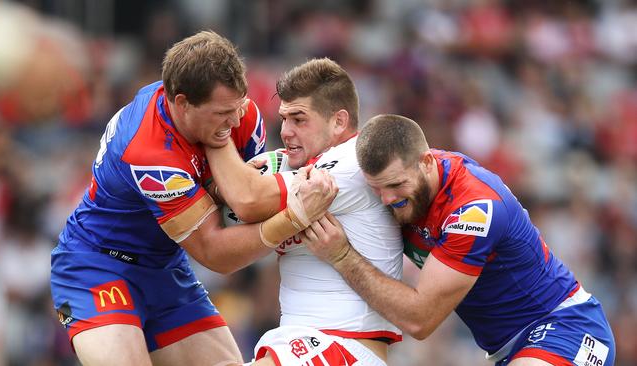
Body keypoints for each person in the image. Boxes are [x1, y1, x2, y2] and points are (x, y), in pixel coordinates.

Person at [50, 31, 337, 366]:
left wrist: (219, 141)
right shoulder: (148, 151)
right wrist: (295, 217)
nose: (234, 120)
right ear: (182, 103)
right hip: (98, 266)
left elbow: (244, 208)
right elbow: (215, 253)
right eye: (221, 113)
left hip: (164, 266)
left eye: (238, 106)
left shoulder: (243, 116)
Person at [303, 114, 616, 366]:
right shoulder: (399, 187)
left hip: (565, 327)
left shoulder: (474, 210)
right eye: (376, 188)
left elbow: (419, 319)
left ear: (427, 162)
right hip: (508, 350)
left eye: (396, 185)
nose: (386, 199)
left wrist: (342, 256)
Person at [204, 58, 404, 365]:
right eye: (284, 119)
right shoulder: (299, 163)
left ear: (339, 121)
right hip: (303, 339)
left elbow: (246, 199)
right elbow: (231, 213)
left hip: (344, 345)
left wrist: (213, 132)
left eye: (299, 120)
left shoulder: (353, 162)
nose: (285, 131)